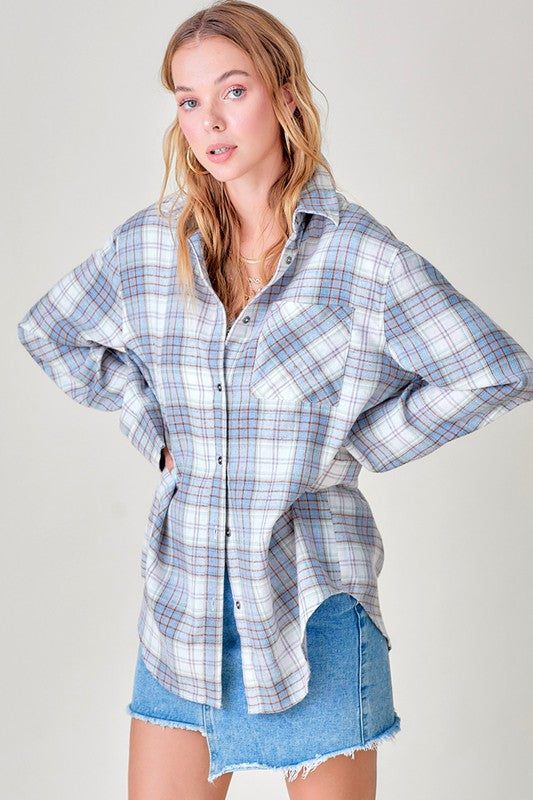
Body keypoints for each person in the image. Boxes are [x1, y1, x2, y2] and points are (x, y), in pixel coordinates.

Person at [16, 1, 533, 798]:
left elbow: (494, 369)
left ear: (285, 94)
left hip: (312, 610)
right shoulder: (150, 246)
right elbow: (50, 333)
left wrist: (356, 443)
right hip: (182, 611)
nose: (208, 120)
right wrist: (151, 429)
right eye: (189, 100)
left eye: (232, 91)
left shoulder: (360, 258)